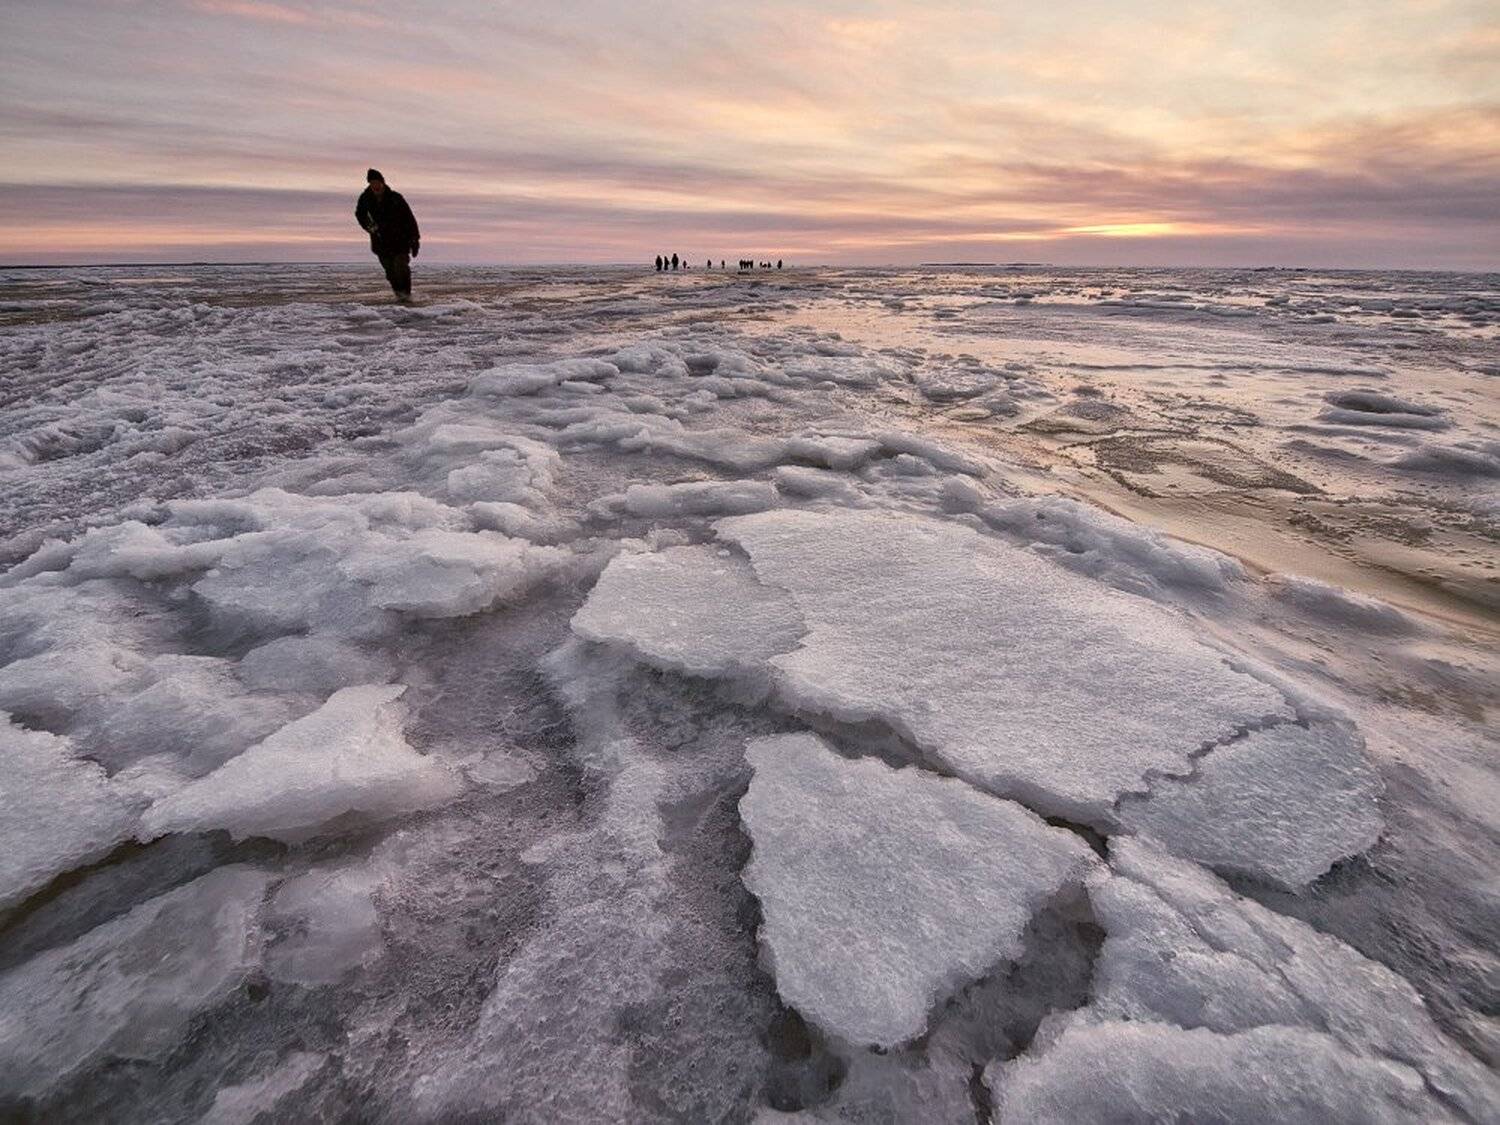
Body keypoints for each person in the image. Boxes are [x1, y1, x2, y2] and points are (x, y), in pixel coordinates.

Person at [355, 169, 420, 301]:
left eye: (377, 182)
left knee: (401, 268)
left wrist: (414, 239)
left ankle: (406, 295)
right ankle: (399, 294)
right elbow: (360, 214)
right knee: (390, 272)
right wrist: (369, 226)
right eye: (372, 183)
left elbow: (409, 218)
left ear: (382, 182)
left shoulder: (396, 197)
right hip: (381, 242)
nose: (375, 186)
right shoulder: (365, 198)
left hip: (400, 240)